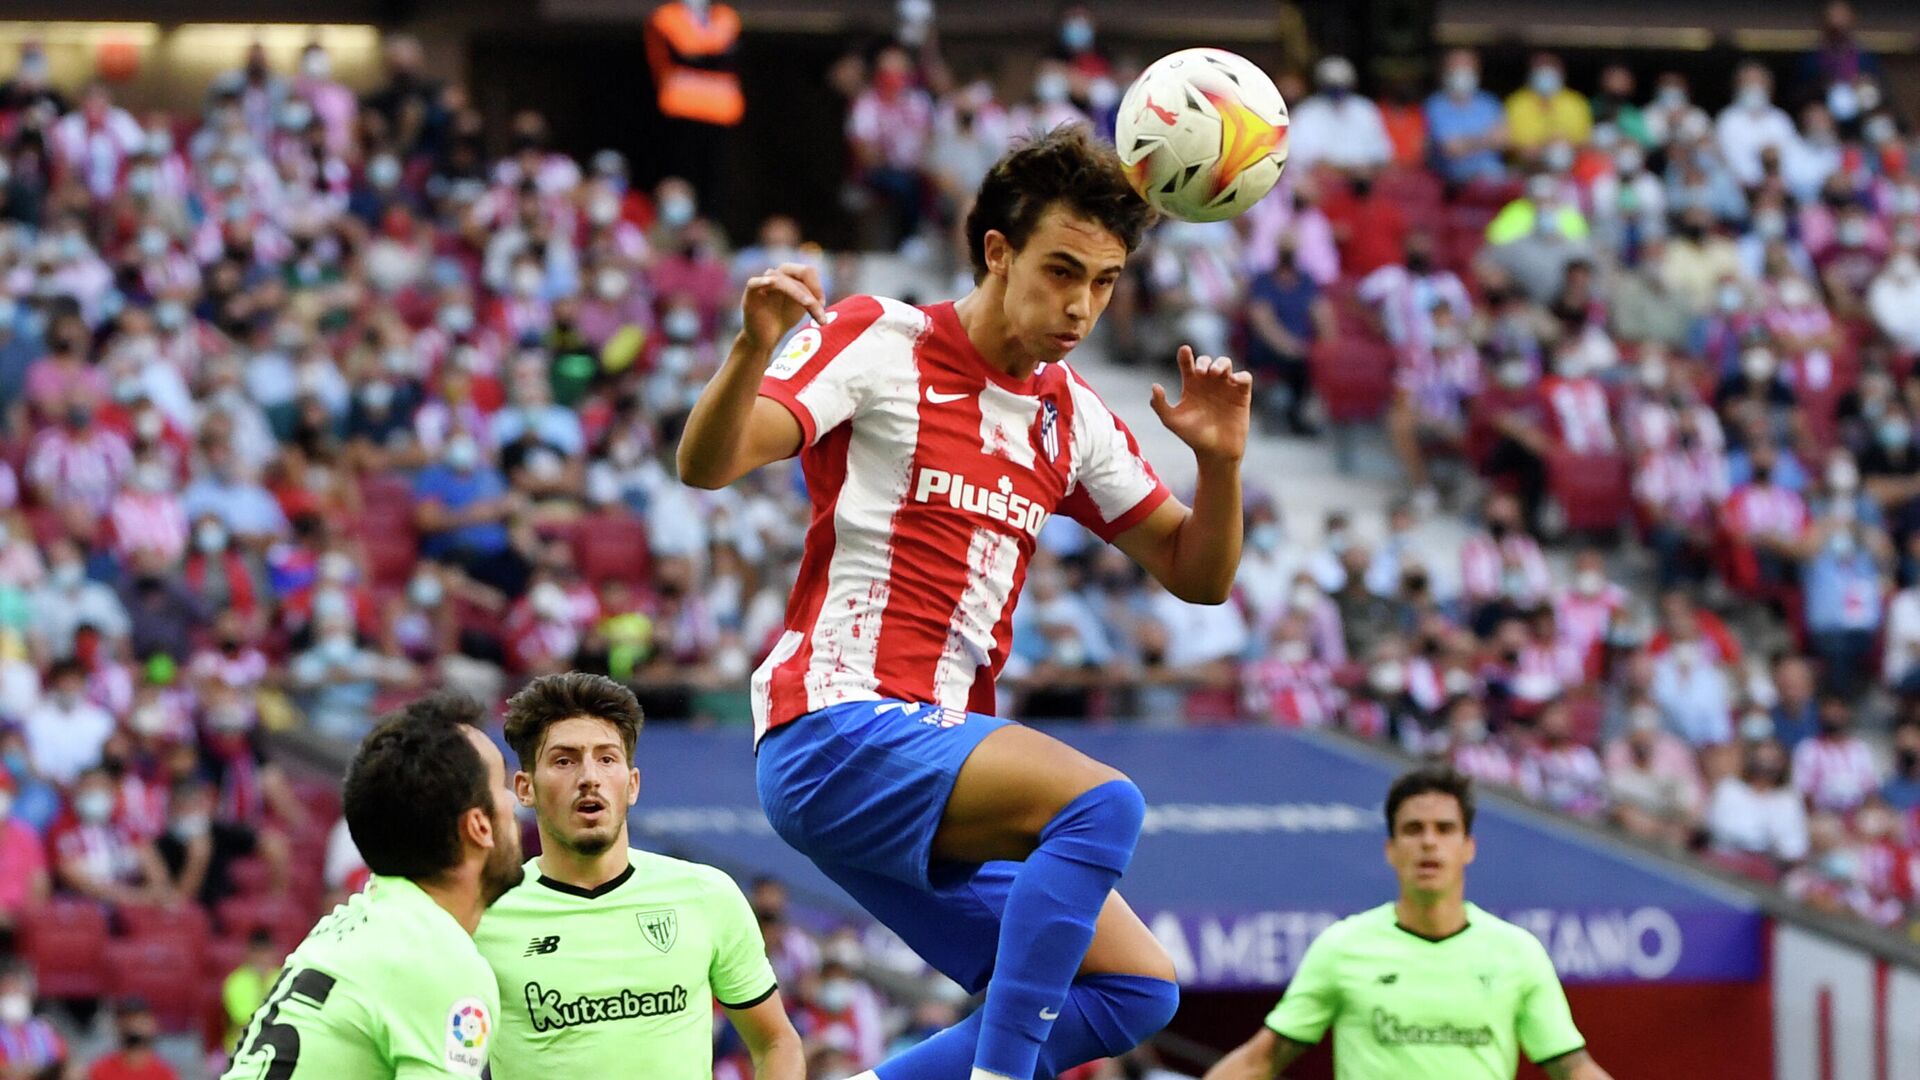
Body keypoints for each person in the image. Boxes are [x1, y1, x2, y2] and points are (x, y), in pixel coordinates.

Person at [676, 125, 1235, 1080]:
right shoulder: (879, 338)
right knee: (1103, 806)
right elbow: (707, 463)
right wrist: (749, 349)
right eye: (1062, 270)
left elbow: (1199, 574)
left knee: (1136, 988)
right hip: (835, 721)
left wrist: (1219, 465)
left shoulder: (1072, 416)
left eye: (1103, 283)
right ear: (997, 250)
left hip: (931, 752)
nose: (1081, 305)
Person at [475, 672, 802, 1078]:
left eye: (607, 758)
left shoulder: (707, 895)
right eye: (564, 760)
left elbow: (776, 1042)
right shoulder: (484, 915)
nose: (589, 777)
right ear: (525, 789)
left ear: (631, 784)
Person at [1202, 767, 1610, 1080]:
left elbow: (1573, 1068)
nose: (1429, 842)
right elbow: (1262, 1059)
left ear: (1468, 848)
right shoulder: (1343, 946)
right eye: (1413, 830)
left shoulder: (1517, 952)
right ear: (1391, 850)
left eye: (1445, 829)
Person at [220, 692, 524, 1080]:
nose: (514, 802)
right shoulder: (437, 959)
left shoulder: (350, 920)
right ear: (479, 826)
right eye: (502, 786)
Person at [85, 997, 177, 1080]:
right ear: (117, 1026)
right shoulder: (99, 1070)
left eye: (140, 1020)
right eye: (128, 1020)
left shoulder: (165, 1074)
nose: (133, 1026)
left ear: (152, 1025)